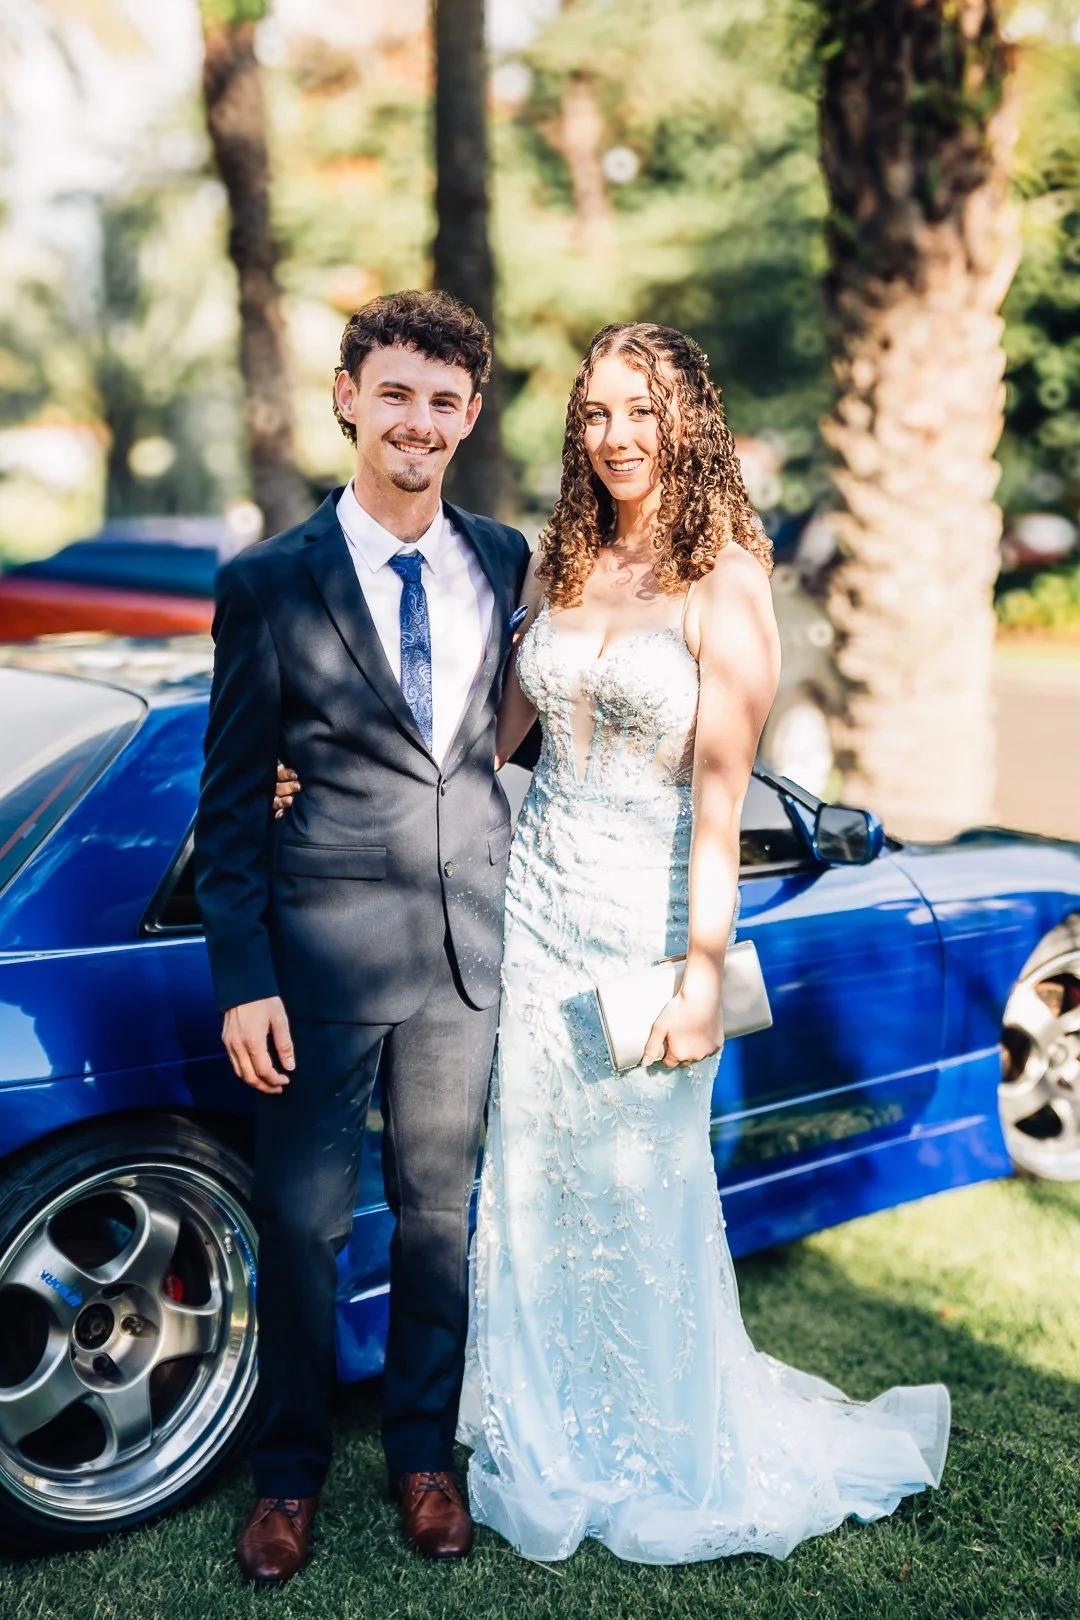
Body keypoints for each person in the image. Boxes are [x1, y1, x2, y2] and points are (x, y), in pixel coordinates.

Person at [275, 320, 951, 1566]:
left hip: (646, 920)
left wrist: (702, 973)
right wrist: (322, 771)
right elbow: (475, 745)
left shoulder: (727, 578)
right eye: (596, 412)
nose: (616, 435)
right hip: (528, 917)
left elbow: (721, 802)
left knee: (641, 1188)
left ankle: (651, 1437)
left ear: (689, 421)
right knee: (528, 1185)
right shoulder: (560, 561)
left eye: (642, 411)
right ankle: (542, 1431)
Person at [194, 289, 531, 1585]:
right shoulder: (268, 582)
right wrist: (245, 980)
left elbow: (508, 740)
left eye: (443, 401)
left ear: (470, 414)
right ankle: (286, 1477)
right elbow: (231, 802)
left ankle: (423, 1458)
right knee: (303, 1230)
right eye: (395, 393)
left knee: (441, 1219)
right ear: (348, 397)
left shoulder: (503, 559)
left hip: (464, 955)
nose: (418, 422)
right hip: (320, 962)